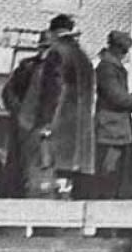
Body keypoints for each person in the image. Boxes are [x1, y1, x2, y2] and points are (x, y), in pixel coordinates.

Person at [33, 14, 97, 195]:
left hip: (61, 123)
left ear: (53, 32)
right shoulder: (83, 57)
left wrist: (45, 122)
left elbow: (51, 90)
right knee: (69, 179)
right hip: (81, 128)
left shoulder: (57, 53)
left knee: (50, 176)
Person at [93, 30, 132, 198]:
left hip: (115, 128)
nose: (125, 54)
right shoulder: (107, 68)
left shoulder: (111, 66)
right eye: (124, 50)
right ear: (118, 49)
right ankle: (105, 205)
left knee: (113, 173)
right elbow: (117, 97)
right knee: (109, 172)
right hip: (110, 129)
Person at [0, 30, 49, 200]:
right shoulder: (27, 66)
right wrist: (19, 111)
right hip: (23, 125)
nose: (45, 52)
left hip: (43, 127)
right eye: (43, 48)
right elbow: (8, 91)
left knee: (38, 168)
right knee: (17, 165)